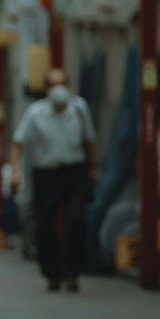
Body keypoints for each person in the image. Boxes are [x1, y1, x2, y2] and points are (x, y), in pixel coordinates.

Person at [10, 68, 96, 292]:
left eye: (62, 83)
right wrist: (15, 172)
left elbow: (89, 139)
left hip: (74, 171)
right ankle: (52, 272)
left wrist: (93, 167)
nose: (58, 89)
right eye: (53, 84)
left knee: (76, 219)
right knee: (45, 222)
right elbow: (17, 142)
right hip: (46, 174)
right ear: (46, 89)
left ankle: (72, 270)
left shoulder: (79, 108)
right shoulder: (35, 112)